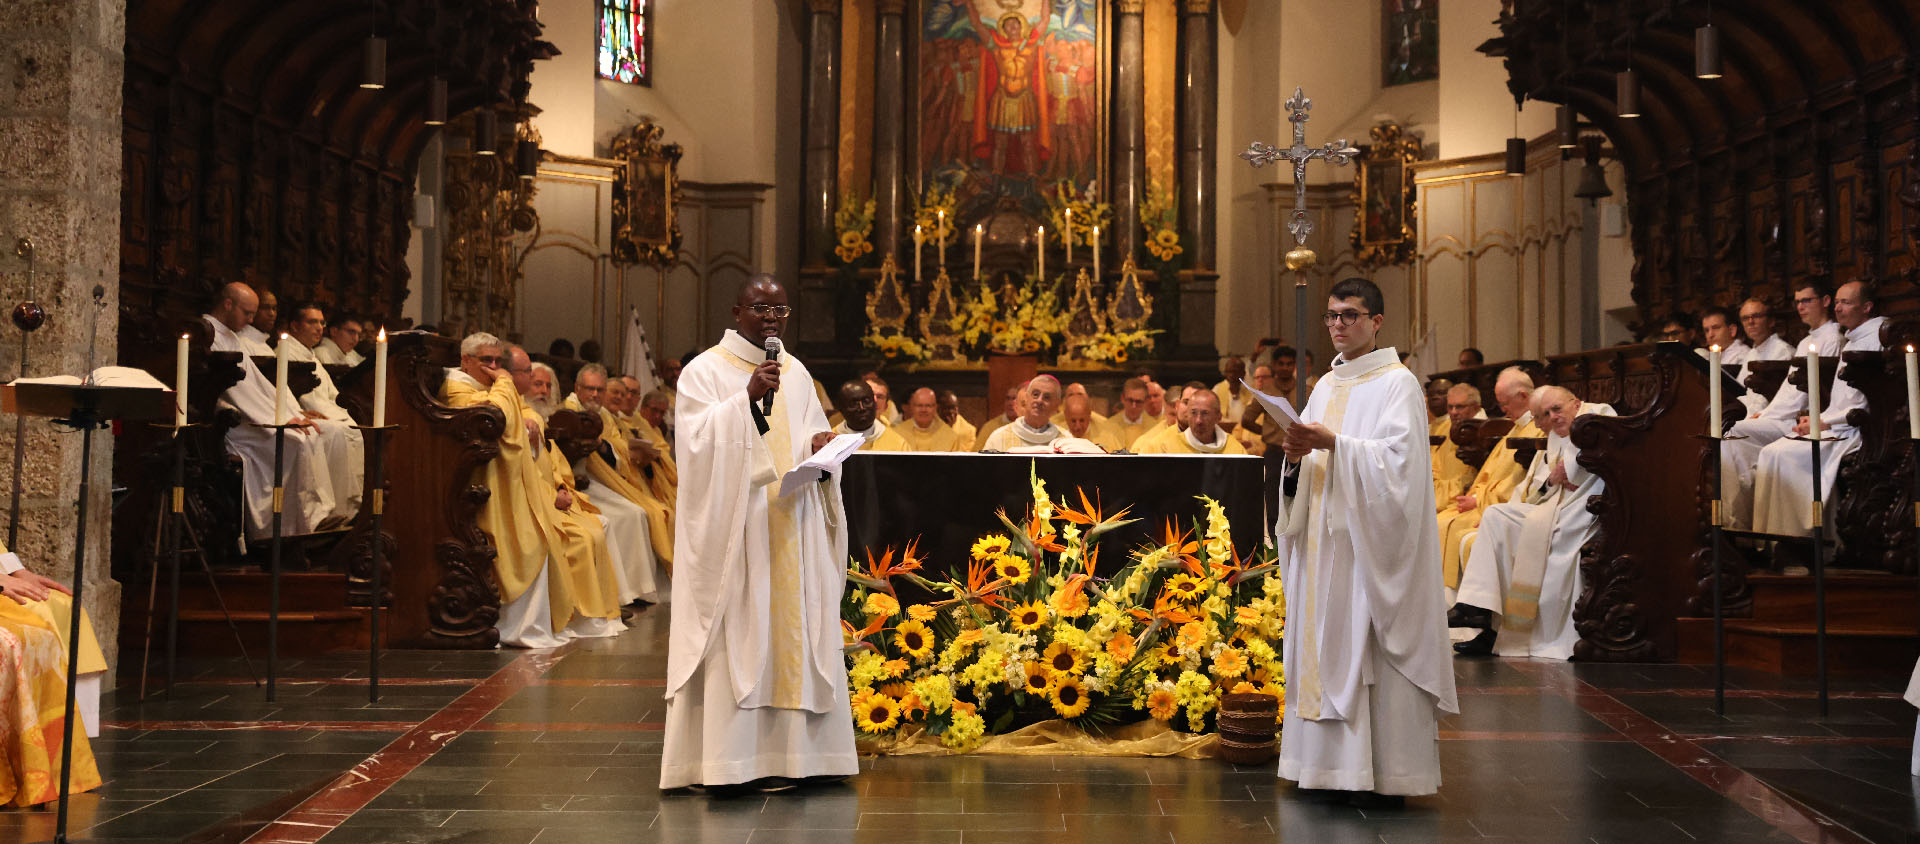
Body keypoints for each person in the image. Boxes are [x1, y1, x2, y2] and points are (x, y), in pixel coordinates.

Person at [662, 274, 857, 793]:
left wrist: (822, 446)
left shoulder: (794, 371)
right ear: (737, 311)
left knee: (798, 632)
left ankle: (803, 758)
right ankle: (732, 762)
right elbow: (695, 447)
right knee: (742, 631)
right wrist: (744, 400)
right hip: (739, 525)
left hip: (793, 521)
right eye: (760, 309)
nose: (771, 319)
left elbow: (809, 429)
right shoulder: (704, 371)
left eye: (780, 311)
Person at [1273, 276, 1456, 804]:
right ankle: (1320, 768)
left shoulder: (1397, 383)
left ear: (1376, 322)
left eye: (1349, 315)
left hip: (1364, 548)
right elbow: (1308, 459)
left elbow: (1401, 470)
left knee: (1365, 648)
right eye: (1331, 316)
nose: (1337, 325)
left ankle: (1377, 774)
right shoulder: (1325, 387)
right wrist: (1293, 464)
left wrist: (1335, 444)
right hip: (1321, 543)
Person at [441, 333, 619, 647]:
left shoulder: (487, 388)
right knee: (538, 541)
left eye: (498, 362)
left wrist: (521, 410)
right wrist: (507, 384)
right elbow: (499, 418)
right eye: (486, 361)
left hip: (504, 484)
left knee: (552, 535)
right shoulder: (456, 388)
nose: (494, 368)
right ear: (465, 360)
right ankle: (518, 625)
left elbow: (517, 412)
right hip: (481, 488)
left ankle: (552, 621)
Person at [1450, 386, 1615, 659]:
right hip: (1553, 510)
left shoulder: (1598, 414)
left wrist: (1571, 464)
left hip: (1584, 515)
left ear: (1576, 403)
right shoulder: (1555, 435)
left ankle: (1495, 631)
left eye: (1557, 409)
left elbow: (1603, 447)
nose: (1553, 418)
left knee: (1516, 533)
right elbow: (1544, 483)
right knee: (1496, 517)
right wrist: (1553, 478)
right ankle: (1480, 612)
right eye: (1545, 415)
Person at [202, 283, 338, 540]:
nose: (252, 320)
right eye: (248, 313)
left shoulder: (230, 335)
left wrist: (291, 413)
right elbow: (236, 392)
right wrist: (281, 420)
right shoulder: (208, 334)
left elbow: (262, 387)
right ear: (228, 304)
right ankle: (283, 528)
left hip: (254, 415)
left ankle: (312, 517)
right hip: (237, 423)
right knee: (294, 441)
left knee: (308, 434)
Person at [1751, 280, 1885, 537]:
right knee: (1771, 453)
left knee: (1781, 455)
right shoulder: (1854, 338)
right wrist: (1818, 418)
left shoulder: (1876, 337)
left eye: (1846, 302)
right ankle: (1775, 539)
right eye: (1836, 302)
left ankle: (1804, 536)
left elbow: (1864, 402)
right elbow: (1839, 400)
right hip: (1836, 423)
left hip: (1855, 430)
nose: (1838, 308)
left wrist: (1824, 422)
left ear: (1867, 307)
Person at [1721, 281, 1846, 530]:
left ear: (1825, 302)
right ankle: (1733, 521)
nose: (1800, 307)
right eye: (1797, 301)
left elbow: (1815, 392)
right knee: (1728, 436)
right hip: (1777, 415)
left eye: (1806, 300)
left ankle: (1740, 523)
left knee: (1734, 434)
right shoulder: (1806, 341)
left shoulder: (1833, 337)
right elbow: (1785, 394)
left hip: (1795, 419)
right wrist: (1764, 413)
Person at [1434, 368, 1541, 595]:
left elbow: (1518, 484)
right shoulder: (1516, 428)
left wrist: (1477, 500)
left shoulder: (1536, 432)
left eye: (1505, 403)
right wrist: (1474, 495)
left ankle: (1455, 597)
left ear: (1523, 396)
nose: (1502, 409)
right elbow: (1487, 475)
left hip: (1499, 508)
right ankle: (1441, 595)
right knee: (1437, 522)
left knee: (1449, 527)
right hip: (1484, 502)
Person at [564, 364, 676, 569]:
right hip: (584, 479)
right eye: (590, 389)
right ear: (577, 388)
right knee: (639, 514)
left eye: (600, 390)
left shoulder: (605, 415)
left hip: (611, 475)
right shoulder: (570, 412)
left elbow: (618, 448)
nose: (595, 394)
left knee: (650, 512)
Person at [284, 303, 366, 526]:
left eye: (322, 322)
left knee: (356, 429)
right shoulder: (286, 352)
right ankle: (335, 508)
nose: (319, 327)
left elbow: (333, 395)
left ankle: (351, 508)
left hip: (326, 412)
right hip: (308, 415)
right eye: (312, 322)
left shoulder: (310, 355)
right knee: (339, 432)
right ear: (294, 325)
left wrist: (342, 410)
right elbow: (297, 396)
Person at [1732, 297, 1795, 414]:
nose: (1750, 322)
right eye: (1745, 318)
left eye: (1756, 316)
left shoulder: (1783, 351)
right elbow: (1739, 390)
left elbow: (1771, 396)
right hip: (1746, 412)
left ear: (1771, 321)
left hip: (1770, 414)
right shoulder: (1751, 353)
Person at [1134, 390, 1245, 454]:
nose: (1198, 420)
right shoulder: (1165, 447)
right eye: (1193, 413)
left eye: (1205, 413)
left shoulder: (1234, 449)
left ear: (1218, 417)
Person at [980, 376, 1068, 451]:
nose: (1039, 400)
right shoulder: (999, 437)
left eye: (1047, 397)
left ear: (1056, 405)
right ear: (1026, 398)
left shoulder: (1065, 440)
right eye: (1035, 394)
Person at [1431, 383, 1485, 504]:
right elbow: (1434, 467)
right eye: (1450, 407)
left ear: (1476, 407)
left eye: (1460, 407)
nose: (1453, 412)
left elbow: (1472, 479)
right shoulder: (1445, 428)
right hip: (1439, 494)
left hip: (1464, 497)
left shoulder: (1486, 431)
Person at [833, 380, 910, 451]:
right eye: (853, 404)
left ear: (874, 404)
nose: (861, 408)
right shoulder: (829, 442)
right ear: (841, 408)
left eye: (866, 401)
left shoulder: (897, 443)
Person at [897, 388, 972, 451]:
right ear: (912, 407)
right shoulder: (898, 433)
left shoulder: (950, 437)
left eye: (928, 406)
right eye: (919, 405)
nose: (924, 410)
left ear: (935, 408)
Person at [1059, 394, 1124, 452]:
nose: (1078, 426)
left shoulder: (1108, 438)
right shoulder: (1058, 435)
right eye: (1073, 421)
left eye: (1082, 420)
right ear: (1066, 416)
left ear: (1089, 415)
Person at [1110, 377, 1159, 448]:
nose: (1134, 406)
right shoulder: (1110, 426)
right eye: (1130, 400)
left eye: (1138, 402)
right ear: (1122, 398)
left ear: (1145, 401)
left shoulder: (1154, 428)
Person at [1213, 356, 1250, 432]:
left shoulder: (1250, 392)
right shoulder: (1217, 390)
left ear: (1243, 373)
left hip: (1244, 433)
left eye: (1235, 371)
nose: (1231, 375)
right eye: (1228, 372)